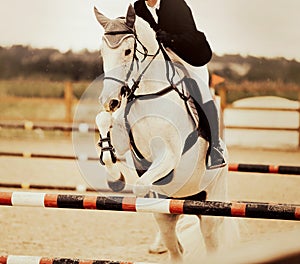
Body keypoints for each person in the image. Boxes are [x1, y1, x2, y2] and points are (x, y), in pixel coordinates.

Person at [134, 0, 226, 169]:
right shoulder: (138, 7)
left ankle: (215, 148)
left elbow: (191, 34)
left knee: (202, 93)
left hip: (188, 55)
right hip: (160, 57)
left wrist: (170, 38)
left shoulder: (176, 4)